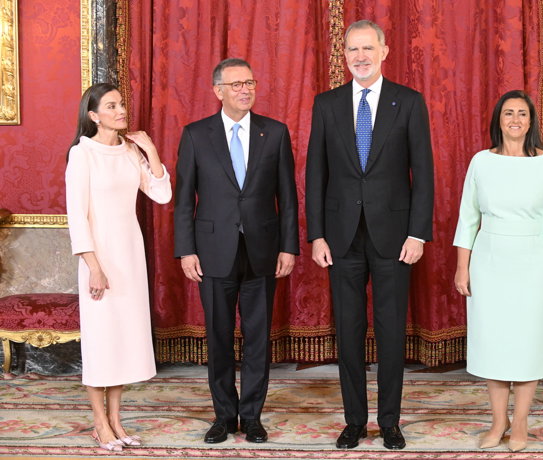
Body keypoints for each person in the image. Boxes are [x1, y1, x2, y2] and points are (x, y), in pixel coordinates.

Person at [305, 20, 434, 450]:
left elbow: (424, 174)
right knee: (349, 332)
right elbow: (316, 173)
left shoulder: (408, 102)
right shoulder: (326, 104)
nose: (360, 57)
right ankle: (355, 421)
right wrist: (317, 235)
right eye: (352, 49)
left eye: (367, 48)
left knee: (391, 331)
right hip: (341, 238)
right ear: (344, 55)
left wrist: (418, 234)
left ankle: (390, 422)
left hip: (395, 238)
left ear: (384, 51)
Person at [174, 58, 299, 444]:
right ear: (218, 91)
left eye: (250, 83)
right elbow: (184, 200)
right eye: (236, 84)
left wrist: (288, 247)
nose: (245, 90)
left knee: (258, 338)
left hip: (263, 250)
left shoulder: (274, 133)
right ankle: (224, 417)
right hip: (213, 251)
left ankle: (253, 416)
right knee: (219, 337)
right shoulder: (196, 135)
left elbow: (288, 197)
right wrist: (186, 250)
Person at [453, 90, 543, 452]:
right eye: (508, 113)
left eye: (522, 113)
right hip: (489, 262)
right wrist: (462, 268)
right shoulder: (481, 162)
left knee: (526, 344)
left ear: (531, 121)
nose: (515, 119)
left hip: (533, 262)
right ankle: (498, 420)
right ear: (498, 121)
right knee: (494, 343)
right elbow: (467, 218)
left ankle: (520, 421)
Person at [65, 83, 172, 452]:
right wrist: (93, 266)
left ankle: (116, 420)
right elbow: (77, 216)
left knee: (123, 340)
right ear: (93, 115)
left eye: (121, 103)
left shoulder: (129, 150)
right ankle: (100, 423)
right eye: (111, 105)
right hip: (99, 258)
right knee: (101, 341)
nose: (121, 110)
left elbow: (162, 193)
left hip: (129, 257)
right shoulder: (82, 153)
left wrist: (150, 150)